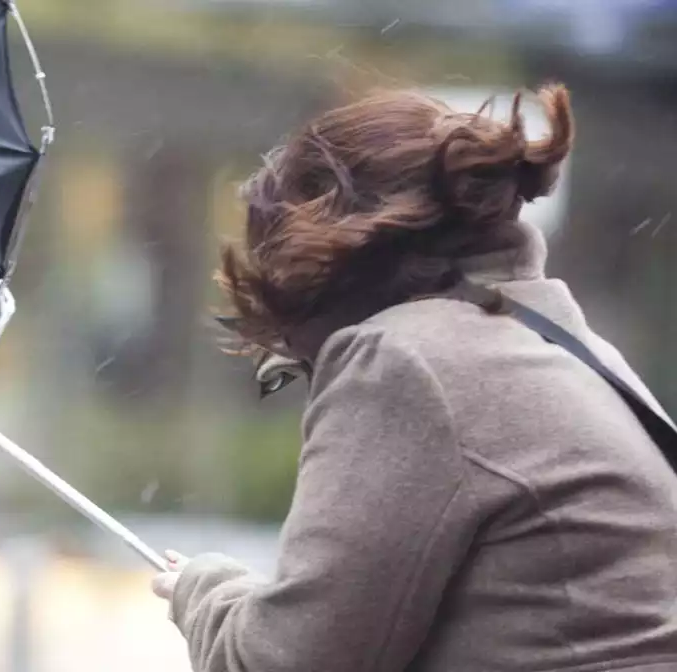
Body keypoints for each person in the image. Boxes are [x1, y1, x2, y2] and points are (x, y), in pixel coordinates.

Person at [151, 83, 677, 671]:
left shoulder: (407, 360)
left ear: (312, 247)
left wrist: (204, 591)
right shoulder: (557, 342)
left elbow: (289, 662)